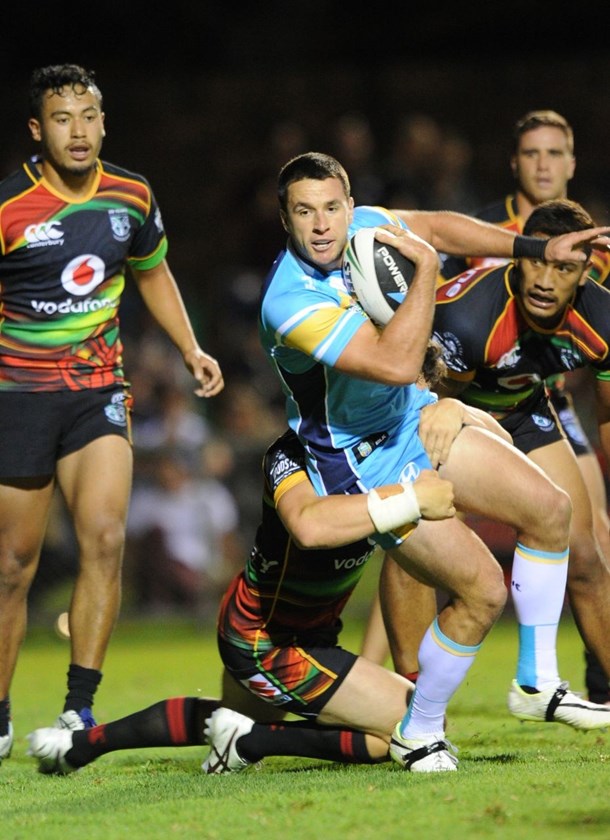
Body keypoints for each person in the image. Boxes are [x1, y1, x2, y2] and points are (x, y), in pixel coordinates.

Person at [255, 152, 610, 772]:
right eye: (304, 211)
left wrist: (535, 245)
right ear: (284, 218)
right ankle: (420, 730)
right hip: (360, 458)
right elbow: (394, 361)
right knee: (480, 591)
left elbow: (441, 229)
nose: (322, 225)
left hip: (412, 415)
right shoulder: (290, 300)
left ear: (349, 202)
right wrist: (423, 270)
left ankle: (536, 681)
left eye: (333, 207)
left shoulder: (363, 225)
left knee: (553, 511)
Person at [27, 411, 459, 775]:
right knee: (412, 725)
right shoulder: (292, 454)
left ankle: (79, 746)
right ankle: (250, 743)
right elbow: (310, 527)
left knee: (223, 718)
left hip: (309, 635)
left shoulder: (383, 453)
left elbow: (401, 569)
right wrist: (410, 499)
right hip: (263, 638)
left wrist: (456, 410)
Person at [0, 63, 223, 765]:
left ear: (103, 121)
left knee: (104, 538)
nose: (79, 131)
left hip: (99, 392)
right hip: (20, 398)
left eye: (89, 116)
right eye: (62, 119)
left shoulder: (131, 194)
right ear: (37, 130)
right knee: (11, 566)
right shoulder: (7, 205)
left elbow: (153, 270)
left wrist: (190, 347)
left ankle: (78, 707)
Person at [439, 110, 610, 703]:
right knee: (423, 539)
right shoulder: (471, 291)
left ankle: (595, 682)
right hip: (449, 401)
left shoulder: (602, 304)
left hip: (527, 399)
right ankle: (403, 683)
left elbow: (606, 404)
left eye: (563, 267)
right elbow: (428, 392)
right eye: (536, 259)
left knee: (587, 546)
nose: (545, 278)